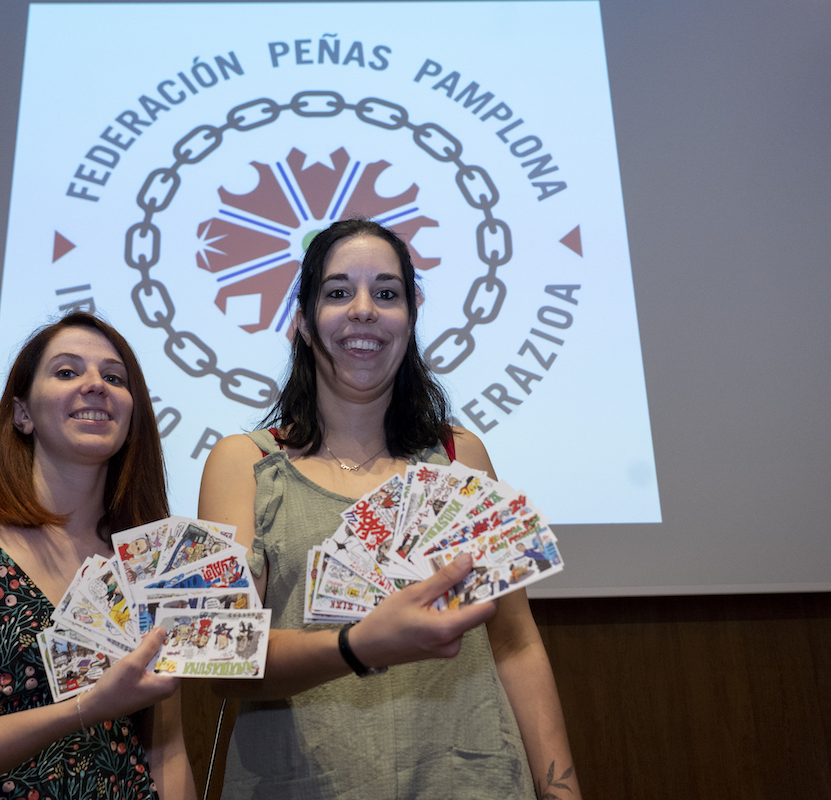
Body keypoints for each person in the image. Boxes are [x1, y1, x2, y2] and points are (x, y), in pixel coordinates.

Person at [199, 219, 581, 799]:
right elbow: (221, 658)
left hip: (470, 782)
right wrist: (358, 645)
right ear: (302, 323)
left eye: (386, 293)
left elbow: (515, 643)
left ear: (410, 317)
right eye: (337, 292)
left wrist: (562, 791)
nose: (364, 310)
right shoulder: (243, 463)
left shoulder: (460, 456)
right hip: (303, 784)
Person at [0, 312, 195, 800]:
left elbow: (167, 754)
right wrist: (84, 709)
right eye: (67, 371)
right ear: (22, 414)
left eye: (114, 378)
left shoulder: (148, 561)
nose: (96, 385)